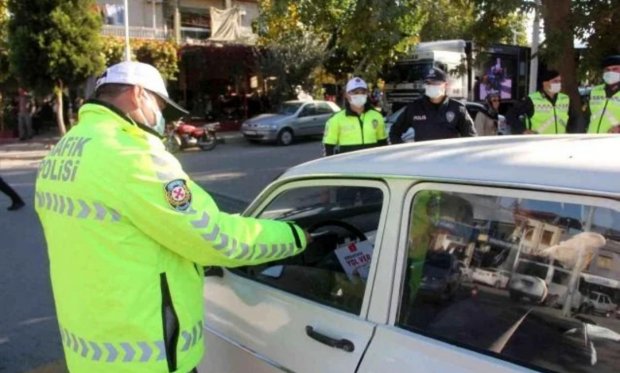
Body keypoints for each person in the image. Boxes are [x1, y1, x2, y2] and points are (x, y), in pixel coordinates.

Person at [34, 61, 309, 373]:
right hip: (147, 355)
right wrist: (296, 236)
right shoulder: (132, 156)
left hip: (90, 350)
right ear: (139, 95)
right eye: (161, 105)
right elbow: (216, 237)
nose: (162, 117)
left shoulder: (64, 151)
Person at [389, 67, 476, 143]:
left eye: (435, 83)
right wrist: (404, 152)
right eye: (428, 83)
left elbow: (471, 137)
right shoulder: (415, 108)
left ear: (445, 85)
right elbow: (394, 132)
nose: (431, 86)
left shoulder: (457, 109)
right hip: (423, 159)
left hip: (450, 159)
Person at [322, 77, 387, 156]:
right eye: (355, 92)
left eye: (363, 92)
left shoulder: (377, 116)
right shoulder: (335, 119)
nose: (359, 95)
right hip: (347, 165)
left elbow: (383, 144)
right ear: (346, 95)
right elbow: (328, 147)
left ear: (367, 94)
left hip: (372, 164)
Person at [507, 69, 575, 134]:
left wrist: (571, 132)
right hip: (539, 142)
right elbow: (511, 115)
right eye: (555, 81)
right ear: (545, 83)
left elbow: (575, 118)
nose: (559, 84)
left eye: (560, 81)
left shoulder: (565, 99)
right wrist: (523, 130)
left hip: (560, 142)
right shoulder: (533, 99)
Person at [587, 55, 620, 134]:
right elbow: (587, 116)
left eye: (615, 69)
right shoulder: (595, 91)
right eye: (607, 70)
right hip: (592, 139)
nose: (610, 72)